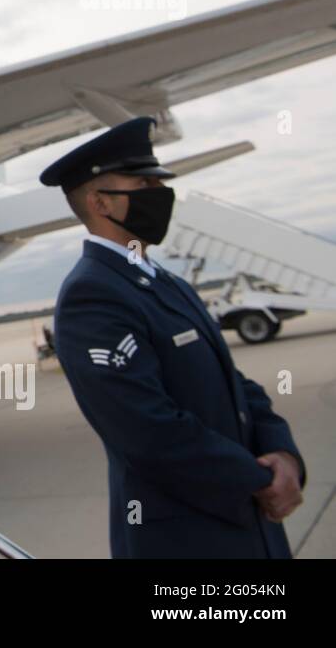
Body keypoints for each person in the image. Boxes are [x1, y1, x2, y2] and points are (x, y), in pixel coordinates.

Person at [41, 116, 304, 558]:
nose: (161, 195)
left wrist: (283, 452)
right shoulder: (93, 295)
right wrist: (258, 480)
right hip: (186, 540)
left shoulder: (166, 282)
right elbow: (147, 430)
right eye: (144, 184)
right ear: (101, 203)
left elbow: (233, 383)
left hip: (248, 529)